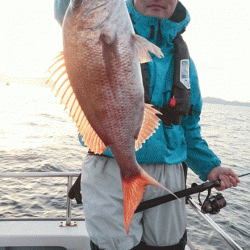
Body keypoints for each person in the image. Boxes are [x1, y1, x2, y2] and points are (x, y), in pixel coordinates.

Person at [54, 1, 240, 249]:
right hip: (109, 164)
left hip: (169, 173)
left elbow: (188, 128)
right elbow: (68, 10)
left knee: (168, 245)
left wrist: (210, 167)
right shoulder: (91, 23)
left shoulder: (184, 63)